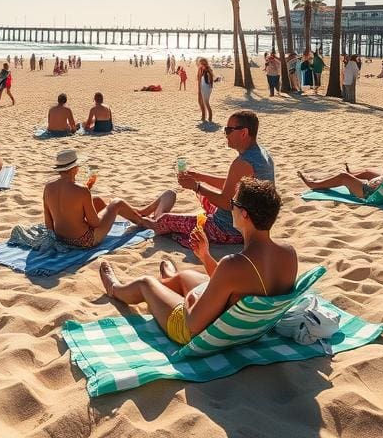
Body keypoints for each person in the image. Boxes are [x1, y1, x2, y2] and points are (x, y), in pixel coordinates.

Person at [98, 180, 296, 345]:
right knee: (186, 276)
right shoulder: (289, 253)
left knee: (145, 283)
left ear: (244, 214)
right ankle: (172, 281)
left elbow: (193, 324)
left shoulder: (233, 264)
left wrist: (191, 298)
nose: (230, 207)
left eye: (233, 203)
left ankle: (115, 289)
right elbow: (238, 284)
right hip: (248, 328)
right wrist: (205, 257)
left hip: (199, 334)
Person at [147, 110, 275, 247]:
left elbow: (226, 203)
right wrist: (200, 177)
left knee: (163, 221)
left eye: (228, 130)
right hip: (252, 227)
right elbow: (232, 184)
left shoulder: (243, 163)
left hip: (229, 230)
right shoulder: (262, 154)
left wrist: (196, 187)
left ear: (243, 133)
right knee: (205, 196)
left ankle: (154, 217)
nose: (226, 134)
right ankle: (150, 212)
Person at [42, 149, 175, 248]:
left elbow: (49, 223)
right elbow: (95, 223)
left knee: (97, 200)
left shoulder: (48, 187)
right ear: (75, 168)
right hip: (85, 241)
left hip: (61, 238)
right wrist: (108, 212)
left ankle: (139, 212)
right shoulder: (81, 190)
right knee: (117, 203)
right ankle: (143, 222)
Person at [298, 154, 383, 200]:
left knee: (343, 177)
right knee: (368, 171)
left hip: (369, 192)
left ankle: (314, 184)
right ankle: (352, 175)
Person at [197, 58, 214, 123]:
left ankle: (209, 118)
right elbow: (199, 79)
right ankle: (204, 116)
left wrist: (210, 85)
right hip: (202, 87)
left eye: (202, 62)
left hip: (206, 87)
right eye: (200, 63)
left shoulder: (208, 69)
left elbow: (211, 78)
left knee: (206, 102)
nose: (201, 64)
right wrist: (199, 88)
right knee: (200, 101)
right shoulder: (201, 69)